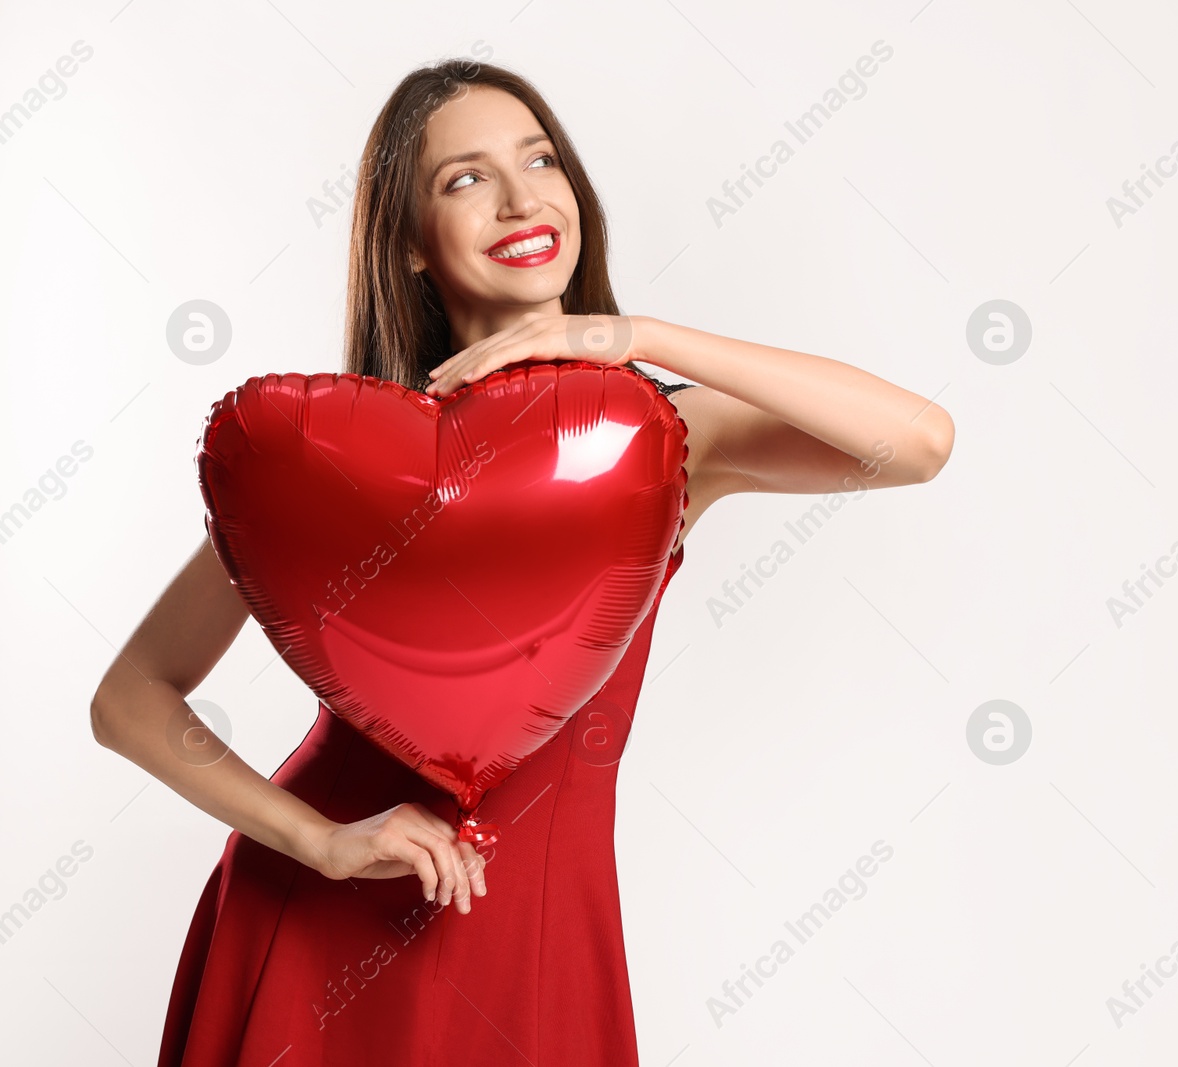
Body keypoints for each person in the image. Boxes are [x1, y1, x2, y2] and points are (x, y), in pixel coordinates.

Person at [91, 57, 954, 1066]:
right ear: (411, 245)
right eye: (464, 179)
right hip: (323, 918)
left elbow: (919, 441)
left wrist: (631, 334)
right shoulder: (339, 462)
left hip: (538, 932)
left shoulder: (662, 435)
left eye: (540, 159)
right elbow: (130, 698)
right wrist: (315, 839)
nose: (520, 198)